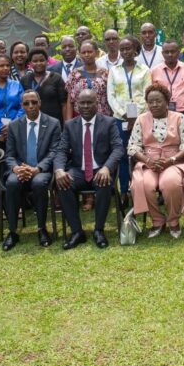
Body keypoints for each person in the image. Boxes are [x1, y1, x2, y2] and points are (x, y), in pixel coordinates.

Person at [55, 89, 125, 250]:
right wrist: (59, 169)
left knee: (104, 182)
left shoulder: (108, 122)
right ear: (77, 105)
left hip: (100, 169)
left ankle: (99, 230)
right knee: (63, 183)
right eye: (82, 103)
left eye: (89, 102)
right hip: (78, 171)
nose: (85, 106)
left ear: (97, 104)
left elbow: (118, 149)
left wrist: (107, 168)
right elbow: (61, 151)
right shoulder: (70, 125)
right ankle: (77, 232)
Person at [128, 83, 184, 238]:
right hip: (148, 162)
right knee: (145, 184)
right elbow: (132, 146)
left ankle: (173, 221)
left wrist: (171, 160)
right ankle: (157, 221)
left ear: (167, 101)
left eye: (158, 101)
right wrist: (147, 160)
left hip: (173, 161)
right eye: (150, 102)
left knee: (170, 183)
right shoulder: (141, 119)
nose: (154, 105)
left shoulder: (179, 118)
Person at [2, 89, 62, 250]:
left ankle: (42, 229)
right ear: (22, 106)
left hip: (41, 171)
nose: (31, 106)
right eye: (26, 103)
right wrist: (16, 168)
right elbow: (9, 154)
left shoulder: (53, 123)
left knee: (39, 183)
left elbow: (54, 151)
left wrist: (38, 168)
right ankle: (13, 231)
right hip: (20, 170)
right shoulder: (14, 126)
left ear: (40, 103)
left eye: (34, 102)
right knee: (11, 183)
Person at [107, 36, 151, 195]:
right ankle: (125, 189)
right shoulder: (114, 70)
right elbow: (111, 96)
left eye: (128, 48)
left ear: (136, 50)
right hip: (121, 119)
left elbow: (148, 94)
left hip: (141, 119)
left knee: (141, 153)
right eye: (123, 49)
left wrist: (136, 116)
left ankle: (143, 188)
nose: (125, 51)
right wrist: (123, 114)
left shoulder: (145, 70)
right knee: (124, 154)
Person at [149, 40, 184, 130]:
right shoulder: (154, 71)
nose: (170, 54)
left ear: (178, 52)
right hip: (163, 113)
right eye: (166, 52)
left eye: (173, 51)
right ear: (162, 53)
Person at [21, 48, 70, 122]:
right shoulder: (25, 80)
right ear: (30, 63)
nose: (39, 63)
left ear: (47, 62)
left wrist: (66, 124)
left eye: (42, 60)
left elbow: (64, 104)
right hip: (32, 122)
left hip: (54, 123)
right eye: (35, 61)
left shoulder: (56, 78)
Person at [66, 39, 111, 118]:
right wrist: (68, 121)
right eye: (83, 52)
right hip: (80, 117)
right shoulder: (74, 74)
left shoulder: (105, 73)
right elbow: (70, 101)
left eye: (90, 52)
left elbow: (110, 98)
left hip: (102, 117)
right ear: (79, 54)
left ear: (96, 53)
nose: (87, 55)